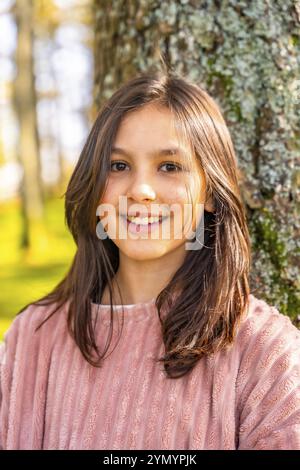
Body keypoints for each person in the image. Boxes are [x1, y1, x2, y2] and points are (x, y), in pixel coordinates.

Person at [0, 70, 299, 450]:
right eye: (119, 166)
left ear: (210, 192)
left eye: (169, 166)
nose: (141, 190)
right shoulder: (32, 339)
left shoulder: (266, 354)